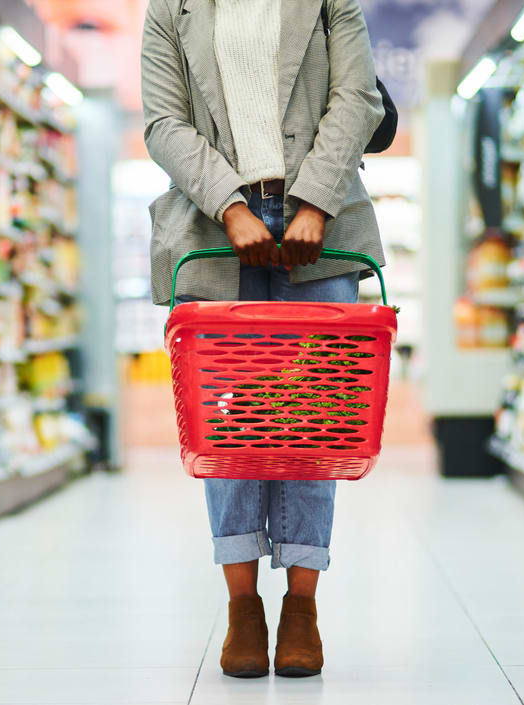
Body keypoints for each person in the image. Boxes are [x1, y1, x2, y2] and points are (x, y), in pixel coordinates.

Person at [141, 0, 385, 679]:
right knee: (230, 426)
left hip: (324, 226)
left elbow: (357, 98)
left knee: (315, 422)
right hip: (212, 229)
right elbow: (164, 123)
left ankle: (302, 603)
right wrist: (229, 204)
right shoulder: (172, 8)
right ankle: (243, 604)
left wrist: (313, 201)